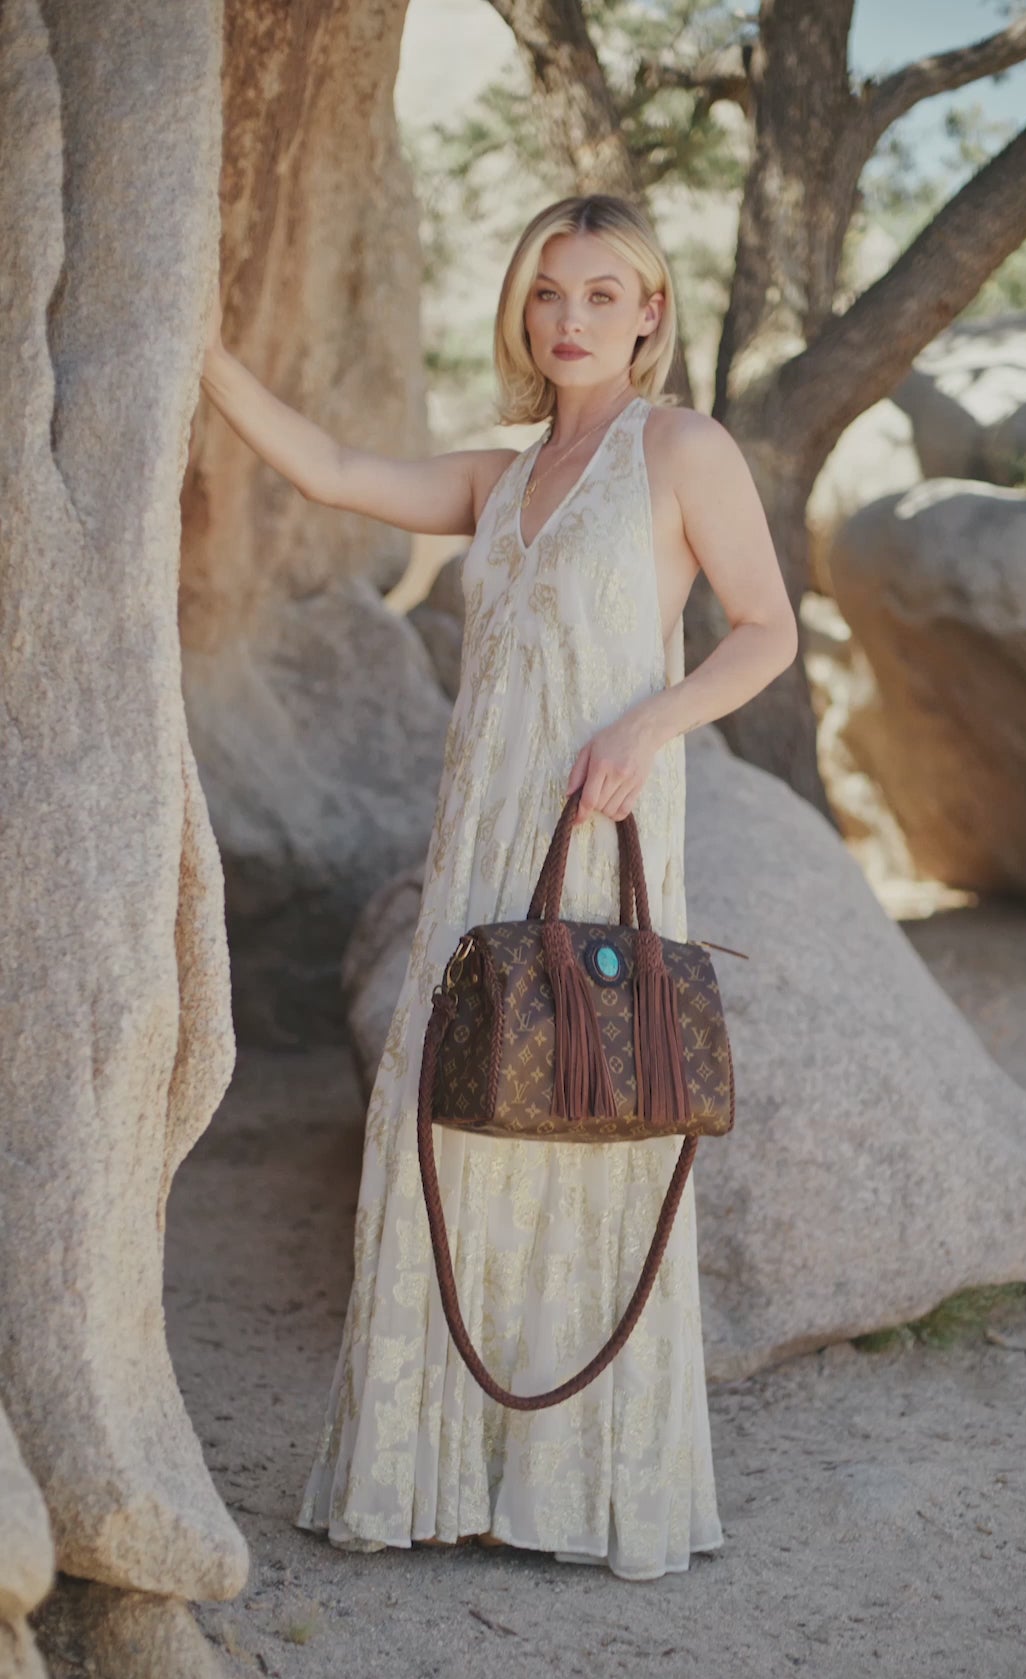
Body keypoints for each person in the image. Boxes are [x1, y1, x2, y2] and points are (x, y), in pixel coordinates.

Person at [200, 192, 797, 1581]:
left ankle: (578, 1491)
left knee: (585, 1103)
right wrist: (198, 349)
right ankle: (439, 1474)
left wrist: (653, 723)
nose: (570, 318)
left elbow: (766, 628)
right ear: (522, 310)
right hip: (481, 844)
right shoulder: (502, 474)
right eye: (548, 292)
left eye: (602, 294)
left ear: (649, 314)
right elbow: (333, 469)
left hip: (598, 824)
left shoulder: (682, 450)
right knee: (457, 1113)